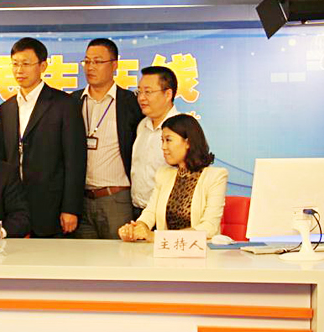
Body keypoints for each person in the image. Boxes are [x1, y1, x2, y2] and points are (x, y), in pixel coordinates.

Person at [0, 37, 87, 237]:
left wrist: (70, 208)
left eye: (26, 64)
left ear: (43, 66)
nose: (19, 70)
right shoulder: (5, 109)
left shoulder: (64, 104)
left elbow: (75, 160)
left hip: (52, 206)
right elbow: (2, 160)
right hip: (14, 206)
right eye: (15, 64)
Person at [71, 38, 142, 239]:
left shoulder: (130, 103)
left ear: (114, 64)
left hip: (116, 199)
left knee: (120, 255)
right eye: (87, 61)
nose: (90, 67)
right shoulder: (72, 101)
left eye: (98, 61)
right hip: (81, 200)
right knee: (83, 257)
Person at [119, 114, 228, 242]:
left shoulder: (215, 176)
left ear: (188, 142)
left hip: (200, 250)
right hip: (166, 249)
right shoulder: (164, 174)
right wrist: (136, 228)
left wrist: (157, 237)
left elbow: (209, 227)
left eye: (168, 140)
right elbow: (150, 212)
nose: (163, 147)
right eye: (162, 141)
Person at [131, 66, 179, 219]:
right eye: (139, 91)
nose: (141, 98)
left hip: (168, 213)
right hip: (138, 211)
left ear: (168, 94)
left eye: (148, 92)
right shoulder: (142, 126)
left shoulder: (182, 128)